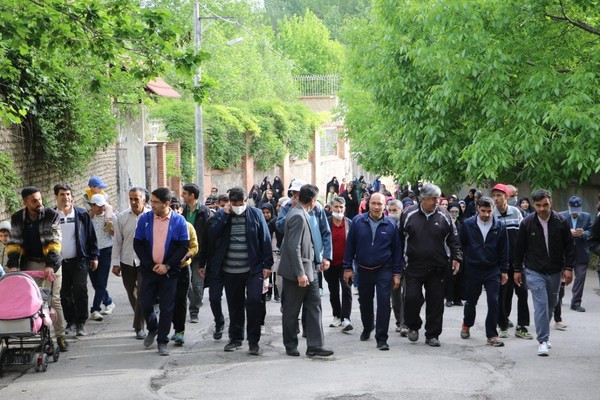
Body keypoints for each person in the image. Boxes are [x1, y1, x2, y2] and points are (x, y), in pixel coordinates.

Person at [205, 187, 273, 355]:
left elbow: (265, 239)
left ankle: (253, 341)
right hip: (230, 270)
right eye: (234, 203)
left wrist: (267, 265)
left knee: (255, 302)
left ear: (246, 201)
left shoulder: (256, 214)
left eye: (240, 203)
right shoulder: (222, 215)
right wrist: (224, 216)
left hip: (253, 269)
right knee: (235, 306)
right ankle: (235, 338)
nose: (237, 206)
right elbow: (211, 235)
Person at [514, 189, 575, 356]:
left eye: (545, 205)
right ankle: (542, 340)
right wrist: (517, 269)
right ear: (534, 205)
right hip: (534, 270)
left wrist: (569, 268)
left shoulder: (561, 221)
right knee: (541, 305)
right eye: (538, 205)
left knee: (551, 303)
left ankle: (544, 333)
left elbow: (569, 247)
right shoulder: (527, 223)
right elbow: (519, 248)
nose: (542, 208)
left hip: (555, 271)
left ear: (551, 203)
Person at [400, 183, 462, 347]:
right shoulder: (408, 214)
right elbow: (399, 239)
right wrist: (399, 262)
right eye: (434, 198)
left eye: (438, 198)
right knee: (411, 298)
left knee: (436, 302)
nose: (437, 202)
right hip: (413, 266)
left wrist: (457, 257)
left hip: (437, 267)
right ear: (423, 198)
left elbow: (454, 239)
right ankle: (413, 325)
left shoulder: (444, 215)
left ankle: (432, 335)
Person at [6, 187, 68, 351]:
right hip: (31, 263)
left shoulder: (51, 215)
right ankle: (43, 336)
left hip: (51, 263)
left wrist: (50, 265)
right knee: (34, 301)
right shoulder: (18, 218)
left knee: (53, 300)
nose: (39, 203)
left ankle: (60, 335)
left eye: (40, 199)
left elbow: (55, 242)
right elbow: (13, 243)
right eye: (34, 201)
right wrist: (13, 266)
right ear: (25, 202)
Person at [279, 184, 334, 357]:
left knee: (314, 307)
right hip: (298, 272)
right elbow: (293, 247)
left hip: (311, 269)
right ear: (312, 200)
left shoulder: (302, 212)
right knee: (291, 310)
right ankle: (290, 345)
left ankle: (315, 345)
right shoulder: (297, 215)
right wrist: (300, 273)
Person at [134, 187, 190, 356]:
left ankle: (162, 341)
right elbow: (138, 244)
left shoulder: (179, 221)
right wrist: (151, 264)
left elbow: (183, 247)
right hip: (149, 270)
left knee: (167, 307)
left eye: (155, 202)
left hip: (169, 272)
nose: (151, 205)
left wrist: (168, 265)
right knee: (145, 302)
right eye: (151, 201)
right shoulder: (145, 219)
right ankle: (153, 327)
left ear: (166, 203)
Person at [344, 193, 403, 350]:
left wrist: (397, 273)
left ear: (384, 206)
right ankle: (367, 326)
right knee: (365, 302)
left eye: (380, 204)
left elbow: (397, 251)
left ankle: (382, 338)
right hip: (363, 269)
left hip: (384, 269)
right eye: (373, 203)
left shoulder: (391, 225)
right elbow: (350, 246)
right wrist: (347, 268)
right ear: (368, 204)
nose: (376, 207)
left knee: (384, 303)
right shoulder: (357, 222)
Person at [459, 196, 508, 347]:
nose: (486, 214)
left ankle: (492, 335)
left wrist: (504, 270)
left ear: (493, 210)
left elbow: (504, 249)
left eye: (489, 211)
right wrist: (463, 263)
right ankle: (467, 323)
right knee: (471, 301)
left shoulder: (499, 226)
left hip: (492, 269)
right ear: (477, 209)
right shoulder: (468, 224)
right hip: (473, 269)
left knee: (493, 301)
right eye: (483, 211)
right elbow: (461, 245)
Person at [54, 183, 99, 337]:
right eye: (62, 194)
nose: (65, 197)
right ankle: (70, 321)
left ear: (72, 197)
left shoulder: (81, 214)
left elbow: (91, 236)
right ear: (56, 197)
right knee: (64, 292)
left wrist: (94, 256)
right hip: (59, 263)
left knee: (80, 289)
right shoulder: (52, 216)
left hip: (79, 260)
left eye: (68, 194)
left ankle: (81, 322)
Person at [491, 183, 531, 340]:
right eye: (494, 196)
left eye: (499, 195)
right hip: (500, 263)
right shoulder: (491, 214)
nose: (496, 199)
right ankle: (502, 324)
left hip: (517, 262)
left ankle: (522, 326)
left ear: (506, 197)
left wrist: (522, 260)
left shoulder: (516, 212)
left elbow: (523, 237)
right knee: (502, 294)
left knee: (523, 292)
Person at [111, 187, 148, 339]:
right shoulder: (122, 217)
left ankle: (138, 326)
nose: (133, 202)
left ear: (143, 200)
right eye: (131, 199)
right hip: (127, 260)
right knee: (131, 292)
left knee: (142, 292)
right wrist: (115, 263)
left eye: (136, 199)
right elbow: (117, 241)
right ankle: (144, 315)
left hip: (145, 261)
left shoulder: (151, 216)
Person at [181, 183, 212, 324]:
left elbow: (209, 234)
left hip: (200, 255)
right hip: (185, 253)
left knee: (198, 284)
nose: (182, 196)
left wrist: (207, 255)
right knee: (186, 283)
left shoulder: (204, 212)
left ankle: (194, 310)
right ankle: (192, 305)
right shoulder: (183, 211)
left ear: (192, 195)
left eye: (184, 193)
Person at [169, 198, 198, 346]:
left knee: (180, 300)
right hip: (167, 269)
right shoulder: (163, 226)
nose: (175, 211)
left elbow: (194, 246)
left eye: (177, 208)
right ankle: (171, 327)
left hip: (183, 268)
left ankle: (180, 331)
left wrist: (187, 255)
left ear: (181, 210)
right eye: (172, 208)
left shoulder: (188, 226)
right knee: (169, 300)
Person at [558, 196, 591, 312]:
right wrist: (567, 232)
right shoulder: (561, 216)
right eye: (573, 210)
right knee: (561, 277)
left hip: (581, 253)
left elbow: (591, 231)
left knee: (580, 278)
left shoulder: (587, 216)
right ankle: (558, 298)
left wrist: (583, 233)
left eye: (577, 210)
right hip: (565, 253)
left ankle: (576, 303)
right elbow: (556, 232)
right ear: (568, 206)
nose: (575, 213)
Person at [325, 197, 353, 332]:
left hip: (345, 264)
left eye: (341, 207)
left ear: (344, 208)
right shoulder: (326, 223)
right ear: (331, 208)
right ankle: (337, 315)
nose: (339, 209)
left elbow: (354, 244)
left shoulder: (349, 224)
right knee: (333, 290)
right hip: (330, 263)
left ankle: (346, 318)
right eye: (336, 206)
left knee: (346, 289)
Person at [88, 193, 116, 323]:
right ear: (92, 205)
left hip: (106, 250)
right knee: (95, 282)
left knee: (101, 281)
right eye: (97, 206)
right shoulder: (87, 218)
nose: (100, 208)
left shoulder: (110, 217)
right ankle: (108, 301)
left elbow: (117, 234)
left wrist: (110, 228)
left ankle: (95, 309)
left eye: (102, 206)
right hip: (92, 252)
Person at [386, 200, 407, 335]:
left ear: (401, 211)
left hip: (406, 264)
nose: (392, 213)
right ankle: (399, 322)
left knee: (407, 294)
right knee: (395, 296)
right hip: (391, 265)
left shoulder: (407, 224)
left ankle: (405, 323)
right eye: (390, 211)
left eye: (395, 210)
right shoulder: (386, 225)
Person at [445, 202, 464, 307]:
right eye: (451, 211)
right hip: (448, 252)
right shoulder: (446, 223)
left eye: (456, 212)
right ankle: (449, 298)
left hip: (460, 252)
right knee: (449, 276)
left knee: (459, 276)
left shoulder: (462, 223)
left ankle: (458, 298)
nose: (454, 214)